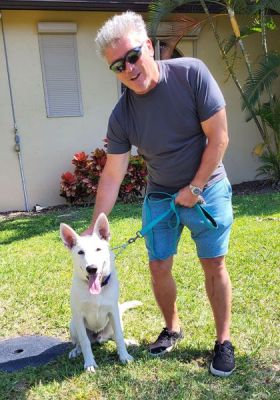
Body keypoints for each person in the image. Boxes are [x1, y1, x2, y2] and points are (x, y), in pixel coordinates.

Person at [84, 11, 235, 377]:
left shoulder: (191, 74)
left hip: (207, 188)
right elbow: (112, 175)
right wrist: (93, 232)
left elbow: (219, 138)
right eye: (118, 66)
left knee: (213, 265)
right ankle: (172, 327)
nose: (129, 69)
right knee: (158, 266)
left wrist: (195, 187)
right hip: (160, 197)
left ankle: (223, 341)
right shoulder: (122, 116)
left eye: (133, 56)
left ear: (149, 47)